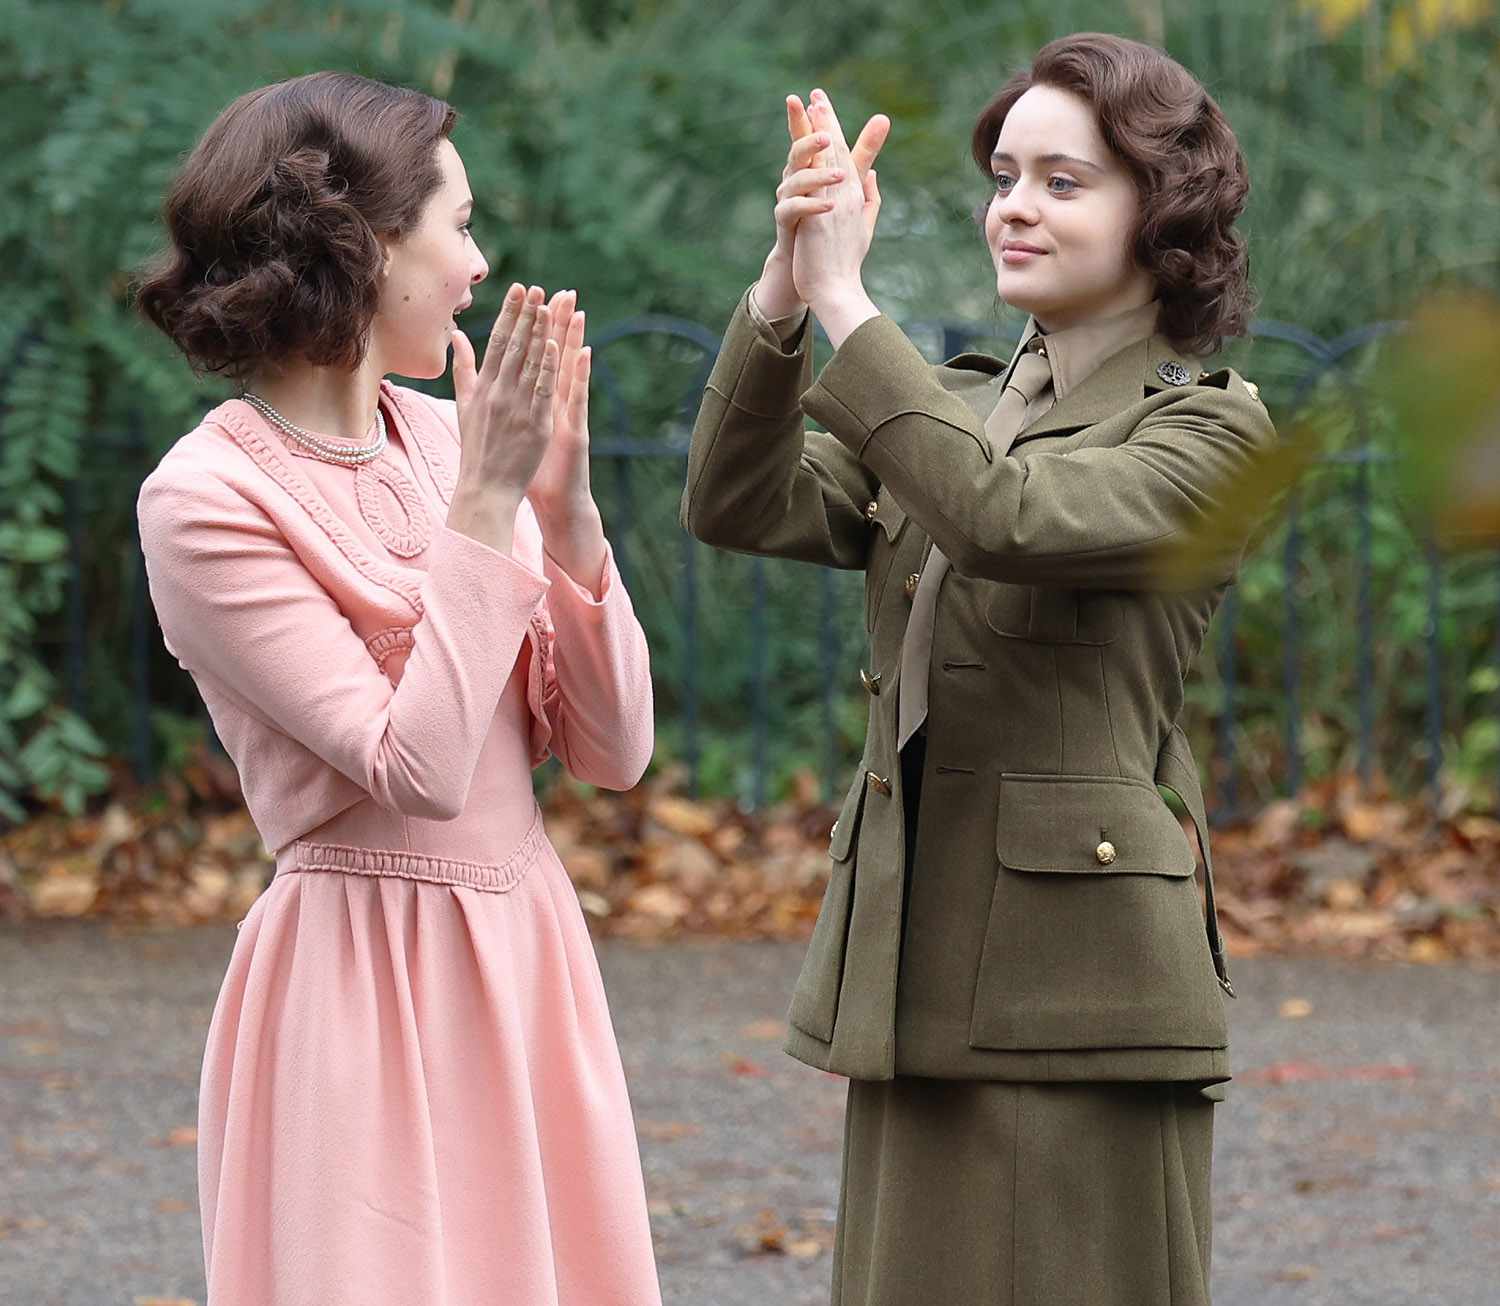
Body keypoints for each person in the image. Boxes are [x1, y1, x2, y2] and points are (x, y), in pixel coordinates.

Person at [681, 32, 1275, 1306]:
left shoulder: (1213, 423)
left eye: (1065, 181)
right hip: (917, 960)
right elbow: (740, 501)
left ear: (1162, 214)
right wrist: (788, 288)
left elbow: (1012, 519)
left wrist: (854, 309)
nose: (1014, 205)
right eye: (1006, 176)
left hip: (1084, 992)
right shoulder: (966, 404)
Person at [133, 71, 660, 1306]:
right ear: (364, 244)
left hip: (526, 953)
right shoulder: (207, 500)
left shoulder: (446, 438)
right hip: (359, 982)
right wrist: (486, 506)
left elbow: (616, 750)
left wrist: (567, 512)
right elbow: (413, 770)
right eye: (459, 225)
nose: (479, 264)